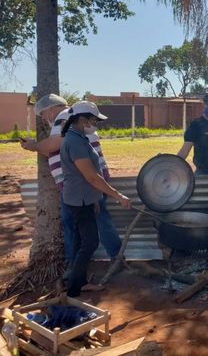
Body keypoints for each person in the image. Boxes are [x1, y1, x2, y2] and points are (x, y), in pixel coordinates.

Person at [21, 94, 122, 267]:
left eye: (44, 114)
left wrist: (34, 146)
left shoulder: (64, 117)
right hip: (84, 182)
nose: (44, 119)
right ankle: (111, 258)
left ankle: (77, 265)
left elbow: (53, 145)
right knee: (93, 221)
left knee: (78, 224)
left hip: (82, 184)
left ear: (52, 109)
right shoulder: (72, 119)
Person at [60, 101, 131, 297]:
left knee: (80, 241)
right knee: (90, 242)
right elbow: (91, 176)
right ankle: (74, 289)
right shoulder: (74, 141)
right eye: (94, 120)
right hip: (78, 201)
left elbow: (89, 177)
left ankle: (78, 282)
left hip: (84, 199)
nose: (96, 124)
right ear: (82, 120)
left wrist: (95, 201)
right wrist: (118, 196)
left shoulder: (79, 138)